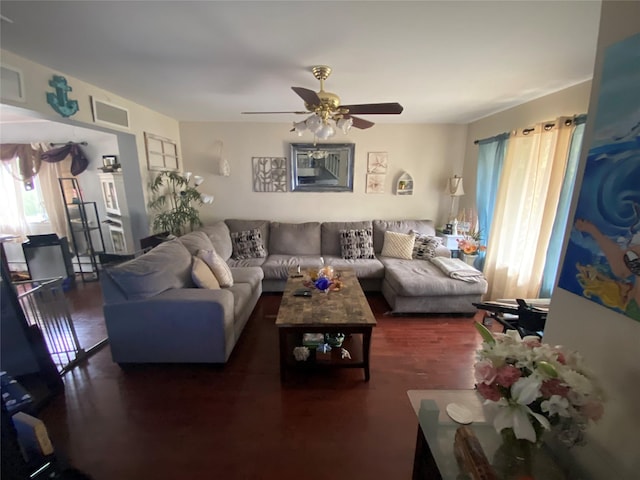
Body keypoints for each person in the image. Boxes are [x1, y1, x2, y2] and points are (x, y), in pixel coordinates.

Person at [575, 219, 640, 320]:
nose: (627, 288)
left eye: (621, 286)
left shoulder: (621, 275)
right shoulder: (633, 304)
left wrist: (592, 230)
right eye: (626, 294)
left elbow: (610, 281)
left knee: (619, 270)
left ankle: (592, 230)